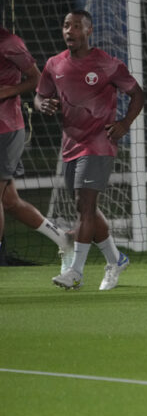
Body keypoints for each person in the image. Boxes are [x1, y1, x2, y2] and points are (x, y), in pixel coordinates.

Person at [35, 11, 144, 290]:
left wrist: (125, 123)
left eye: (76, 26)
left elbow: (137, 94)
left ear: (88, 31)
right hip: (70, 145)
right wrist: (42, 104)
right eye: (66, 26)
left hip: (99, 143)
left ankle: (76, 272)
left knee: (85, 205)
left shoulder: (107, 63)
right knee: (84, 207)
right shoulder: (54, 64)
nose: (69, 31)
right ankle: (116, 259)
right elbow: (40, 95)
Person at [0, 27, 75, 268]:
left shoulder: (9, 42)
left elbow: (36, 78)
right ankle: (63, 239)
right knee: (10, 201)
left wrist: (9, 90)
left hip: (6, 128)